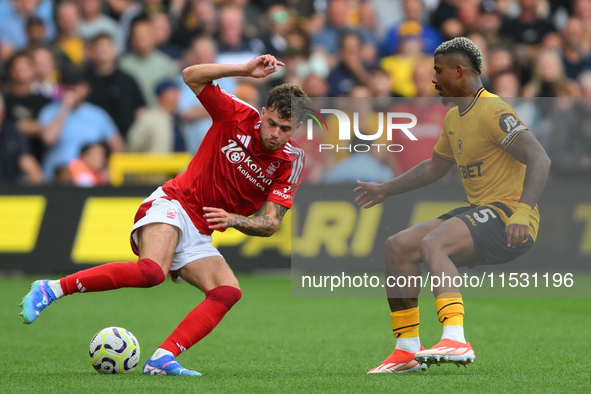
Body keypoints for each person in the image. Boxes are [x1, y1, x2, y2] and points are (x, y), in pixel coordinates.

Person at [20, 54, 310, 376]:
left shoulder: (291, 161)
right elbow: (191, 76)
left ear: (296, 128)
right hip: (175, 201)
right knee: (151, 272)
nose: (275, 134)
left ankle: (162, 359)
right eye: (271, 123)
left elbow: (271, 223)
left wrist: (233, 220)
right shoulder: (237, 115)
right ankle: (51, 289)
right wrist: (242, 70)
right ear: (264, 113)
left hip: (201, 229)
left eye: (285, 129)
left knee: (227, 291)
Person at [355, 37, 550, 373]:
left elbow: (539, 158)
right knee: (398, 247)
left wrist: (522, 210)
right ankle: (407, 351)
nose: (433, 79)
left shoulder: (494, 110)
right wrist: (385, 189)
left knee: (435, 243)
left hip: (510, 215)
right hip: (481, 211)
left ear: (459, 72)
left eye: (438, 71)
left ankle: (455, 338)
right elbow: (434, 168)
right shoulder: (455, 118)